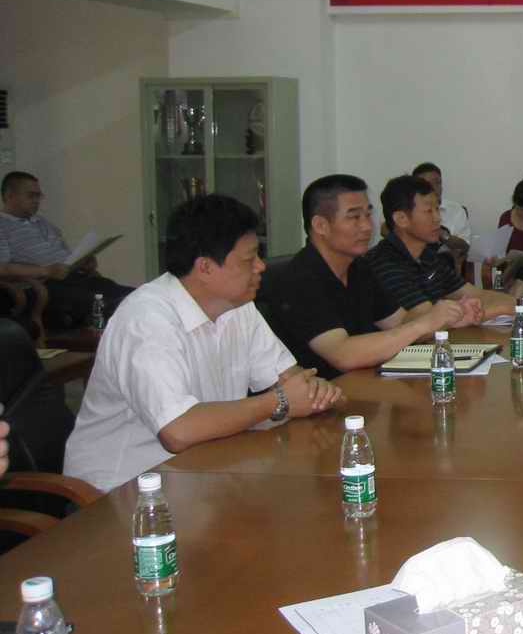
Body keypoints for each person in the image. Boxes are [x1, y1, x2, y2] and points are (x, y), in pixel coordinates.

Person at [63, 195, 342, 493]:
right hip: (122, 492)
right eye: (249, 259)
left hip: (203, 473)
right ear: (205, 267)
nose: (261, 266)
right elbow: (178, 431)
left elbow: (290, 379)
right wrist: (278, 401)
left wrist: (313, 391)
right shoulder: (146, 320)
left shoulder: (237, 306)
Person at [257, 174, 470, 380]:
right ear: (321, 225)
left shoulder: (359, 267)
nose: (368, 226)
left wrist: (451, 317)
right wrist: (425, 324)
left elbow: (400, 323)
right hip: (326, 395)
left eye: (368, 215)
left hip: (368, 384)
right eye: (354, 217)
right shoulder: (299, 278)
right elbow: (343, 354)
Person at [365, 175, 511, 320]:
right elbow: (428, 318)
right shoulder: (383, 262)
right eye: (429, 211)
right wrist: (503, 309)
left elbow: (475, 294)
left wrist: (519, 305)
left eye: (437, 209)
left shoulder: (429, 255)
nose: (438, 218)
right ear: (401, 219)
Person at [0, 170, 132, 329]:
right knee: (103, 303)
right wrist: (46, 271)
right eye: (31, 196)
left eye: (38, 196)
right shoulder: (2, 226)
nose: (36, 201)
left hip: (70, 278)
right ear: (10, 196)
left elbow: (64, 257)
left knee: (129, 294)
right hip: (42, 284)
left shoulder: (43, 223)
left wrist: (82, 263)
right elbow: (3, 268)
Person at [412, 161, 470, 273]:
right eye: (427, 184)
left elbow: (465, 246)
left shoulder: (455, 210)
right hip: (413, 271)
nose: (434, 188)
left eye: (437, 183)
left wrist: (442, 234)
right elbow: (386, 229)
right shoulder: (408, 210)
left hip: (447, 271)